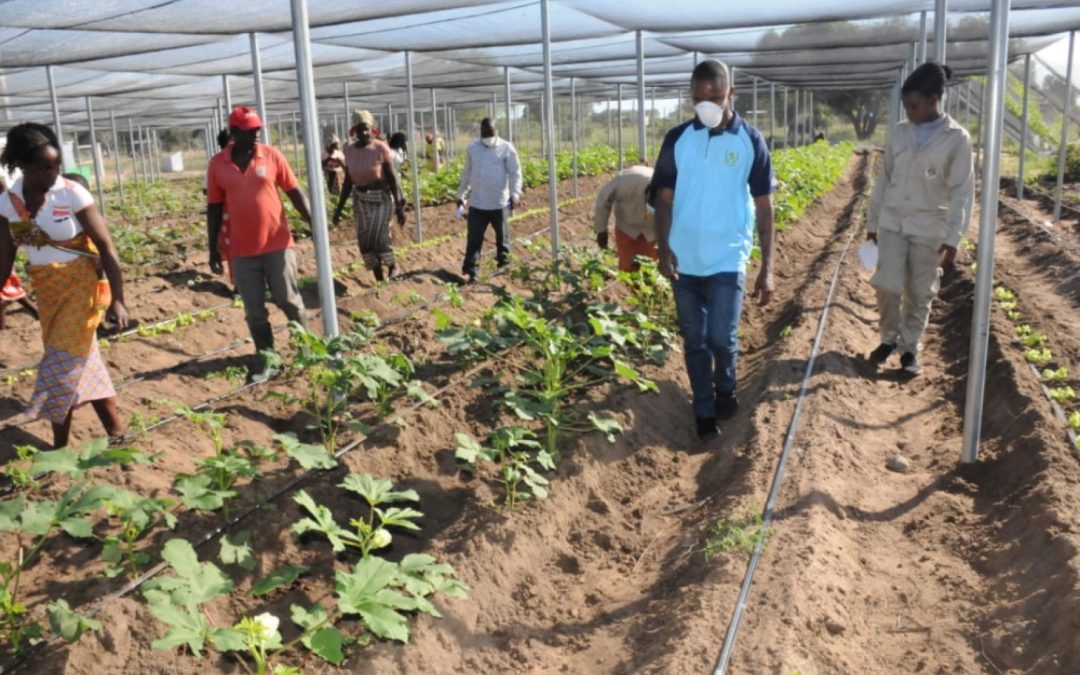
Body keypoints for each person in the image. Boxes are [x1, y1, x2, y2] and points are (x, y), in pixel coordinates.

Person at [652, 59, 776, 441]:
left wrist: (767, 266)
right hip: (684, 260)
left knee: (722, 337)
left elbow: (764, 205)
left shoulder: (749, 140)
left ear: (731, 95)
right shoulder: (678, 139)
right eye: (698, 99)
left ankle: (727, 387)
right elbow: (664, 198)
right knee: (695, 340)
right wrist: (664, 250)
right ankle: (703, 411)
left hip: (727, 256)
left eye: (715, 97)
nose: (707, 105)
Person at [0, 122, 130, 448]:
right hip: (48, 293)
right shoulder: (8, 202)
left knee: (60, 364)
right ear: (24, 166)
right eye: (45, 167)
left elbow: (107, 249)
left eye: (56, 165)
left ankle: (59, 447)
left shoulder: (72, 193)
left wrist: (119, 300)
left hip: (82, 287)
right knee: (81, 360)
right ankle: (116, 431)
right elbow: (4, 259)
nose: (54, 173)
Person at [866, 62, 974, 376]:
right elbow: (883, 180)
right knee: (886, 284)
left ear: (932, 100)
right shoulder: (899, 133)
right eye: (905, 106)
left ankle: (910, 350)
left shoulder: (957, 139)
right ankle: (888, 339)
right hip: (893, 222)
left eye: (913, 106)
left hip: (931, 227)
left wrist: (954, 238)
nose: (909, 112)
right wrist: (872, 225)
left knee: (919, 291)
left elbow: (961, 192)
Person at [207, 106, 311, 380]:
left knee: (288, 300)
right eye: (249, 130)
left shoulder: (272, 155)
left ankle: (306, 352)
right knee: (254, 311)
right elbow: (214, 208)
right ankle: (269, 360)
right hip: (241, 250)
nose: (255, 134)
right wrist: (212, 250)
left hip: (277, 243)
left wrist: (314, 222)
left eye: (257, 130)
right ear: (233, 132)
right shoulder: (217, 164)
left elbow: (294, 192)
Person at [332, 109, 406, 283]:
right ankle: (379, 279)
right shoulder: (349, 151)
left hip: (381, 199)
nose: (363, 133)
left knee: (379, 237)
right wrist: (339, 209)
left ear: (371, 129)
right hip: (361, 200)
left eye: (366, 128)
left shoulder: (380, 148)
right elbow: (348, 182)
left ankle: (393, 265)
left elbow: (392, 177)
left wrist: (399, 207)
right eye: (359, 129)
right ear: (355, 131)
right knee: (365, 242)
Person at [456, 118, 522, 284]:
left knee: (503, 238)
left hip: (499, 203)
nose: (487, 136)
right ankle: (472, 272)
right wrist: (461, 195)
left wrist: (515, 194)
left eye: (490, 133)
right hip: (478, 203)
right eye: (484, 133)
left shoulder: (507, 148)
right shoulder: (473, 148)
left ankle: (504, 268)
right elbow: (467, 174)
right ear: (481, 133)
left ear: (496, 131)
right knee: (474, 239)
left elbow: (515, 173)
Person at [594, 165, 658, 272]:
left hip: (652, 230)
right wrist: (601, 230)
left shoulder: (666, 189)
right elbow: (604, 199)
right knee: (627, 266)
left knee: (649, 268)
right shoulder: (624, 182)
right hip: (626, 227)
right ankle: (630, 286)